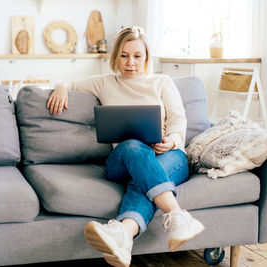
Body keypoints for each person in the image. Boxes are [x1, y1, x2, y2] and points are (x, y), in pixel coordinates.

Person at [46, 26, 205, 267]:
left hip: (168, 156)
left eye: (137, 56)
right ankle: (178, 216)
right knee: (132, 145)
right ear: (115, 57)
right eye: (124, 55)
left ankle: (123, 233)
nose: (130, 62)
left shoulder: (162, 82)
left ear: (146, 58)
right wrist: (60, 87)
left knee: (143, 181)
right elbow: (68, 81)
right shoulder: (104, 83)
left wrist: (171, 140)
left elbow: (178, 119)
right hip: (123, 160)